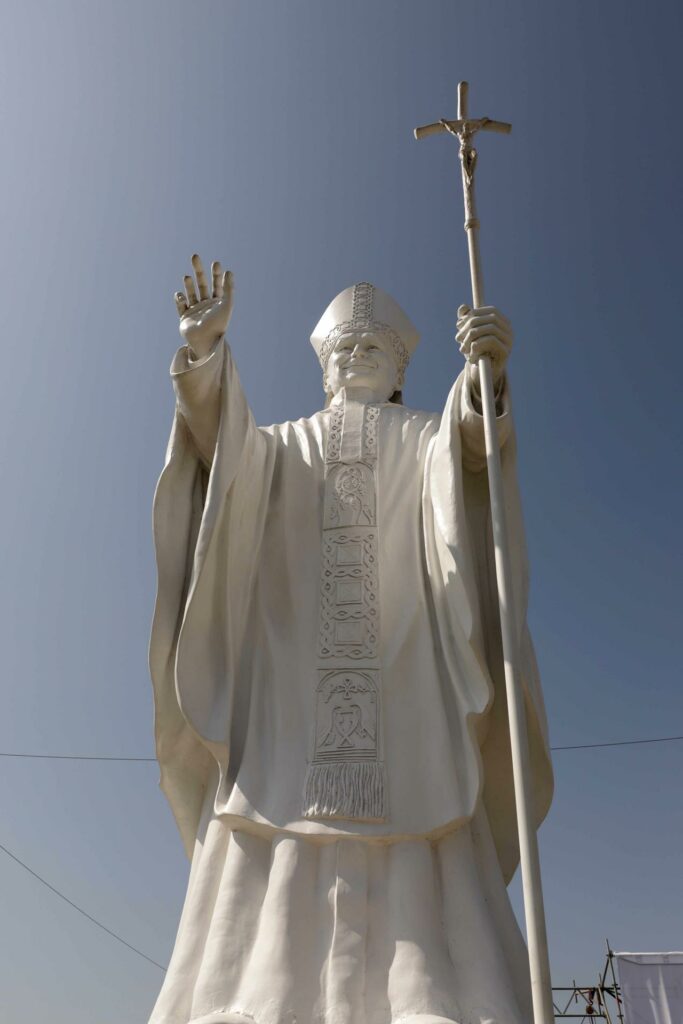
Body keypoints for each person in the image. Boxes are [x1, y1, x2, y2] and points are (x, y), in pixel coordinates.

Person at [148, 254, 553, 1024]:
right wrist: (203, 357)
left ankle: (429, 991)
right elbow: (224, 451)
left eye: (372, 348)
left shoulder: (419, 433)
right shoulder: (286, 443)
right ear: (323, 365)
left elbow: (465, 453)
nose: (356, 356)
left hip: (404, 676)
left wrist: (481, 382)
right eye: (344, 349)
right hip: (292, 691)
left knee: (422, 819)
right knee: (271, 828)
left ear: (398, 367)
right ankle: (254, 996)